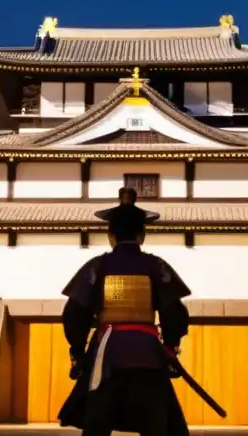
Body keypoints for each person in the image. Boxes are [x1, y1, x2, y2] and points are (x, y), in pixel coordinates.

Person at [57, 187, 191, 436]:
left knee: (96, 425)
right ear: (142, 235)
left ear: (110, 235)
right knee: (158, 427)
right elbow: (175, 313)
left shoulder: (98, 266)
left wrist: (78, 354)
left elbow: (74, 314)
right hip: (149, 355)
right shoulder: (156, 266)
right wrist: (170, 348)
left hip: (107, 355)